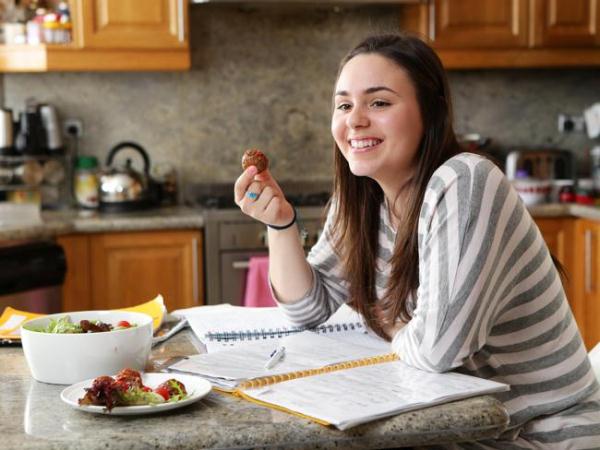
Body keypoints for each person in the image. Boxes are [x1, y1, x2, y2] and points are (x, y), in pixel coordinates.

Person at [234, 33, 600, 448]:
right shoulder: (364, 198)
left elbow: (438, 348)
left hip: (540, 436)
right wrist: (280, 225)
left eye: (379, 102)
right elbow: (307, 309)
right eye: (344, 104)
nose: (355, 119)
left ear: (430, 112)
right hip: (459, 426)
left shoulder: (465, 182)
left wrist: (394, 326)